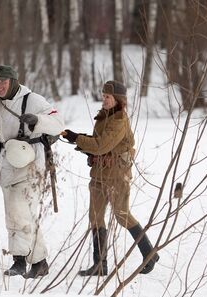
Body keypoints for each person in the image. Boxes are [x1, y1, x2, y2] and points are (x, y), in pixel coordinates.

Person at [0, 65, 64, 278]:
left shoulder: (32, 100)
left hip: (31, 164)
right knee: (13, 215)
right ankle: (19, 261)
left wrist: (37, 121)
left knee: (22, 213)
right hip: (7, 165)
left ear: (13, 82)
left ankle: (39, 261)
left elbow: (58, 122)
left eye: (2, 82)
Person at [63, 80, 159, 276]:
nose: (104, 99)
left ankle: (149, 253)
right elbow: (99, 147)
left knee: (122, 215)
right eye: (103, 95)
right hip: (99, 174)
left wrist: (77, 138)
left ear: (118, 100)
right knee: (95, 217)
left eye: (108, 96)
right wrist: (76, 139)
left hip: (117, 176)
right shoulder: (105, 117)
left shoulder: (119, 120)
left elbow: (101, 145)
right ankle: (100, 264)